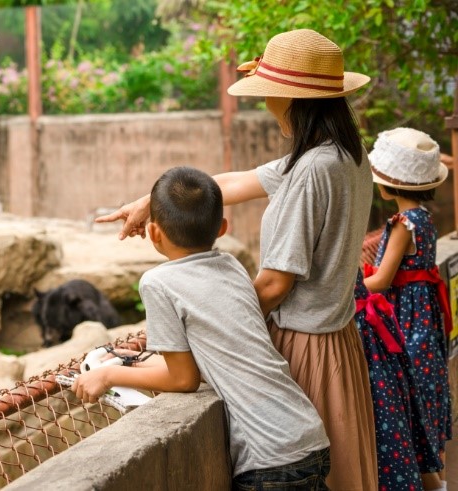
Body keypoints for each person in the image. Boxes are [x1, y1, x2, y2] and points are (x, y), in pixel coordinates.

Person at [96, 29, 377, 489]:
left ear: (291, 99)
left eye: (268, 93)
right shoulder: (344, 153)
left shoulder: (311, 172)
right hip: (338, 341)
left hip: (305, 347)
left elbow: (273, 285)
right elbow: (233, 183)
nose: (265, 104)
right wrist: (153, 200)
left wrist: (213, 332)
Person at [72, 166, 331, 488]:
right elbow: (215, 350)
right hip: (307, 433)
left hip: (270, 457)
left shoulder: (158, 283)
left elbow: (183, 379)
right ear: (222, 228)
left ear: (153, 234)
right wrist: (133, 360)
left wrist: (108, 374)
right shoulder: (232, 265)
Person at [363, 127, 453, 491]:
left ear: (386, 185)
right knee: (429, 397)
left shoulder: (403, 225)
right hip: (425, 314)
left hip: (408, 317)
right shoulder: (426, 218)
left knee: (412, 398)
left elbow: (383, 280)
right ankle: (440, 481)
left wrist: (349, 289)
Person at [354, 268, 443, 490]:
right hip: (382, 329)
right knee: (406, 438)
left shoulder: (404, 230)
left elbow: (383, 279)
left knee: (392, 437)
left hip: (392, 325)